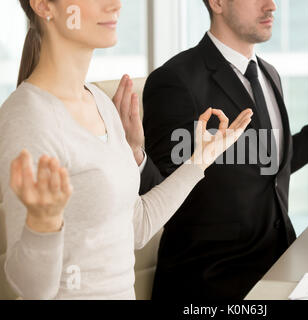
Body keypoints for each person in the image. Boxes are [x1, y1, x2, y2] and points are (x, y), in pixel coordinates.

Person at [0, 0, 252, 300]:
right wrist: (43, 225)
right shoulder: (28, 117)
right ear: (44, 5)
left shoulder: (100, 102)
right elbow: (30, 290)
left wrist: (201, 159)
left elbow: (137, 226)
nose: (116, 4)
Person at [139, 0, 308, 300]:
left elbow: (270, 165)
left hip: (280, 269)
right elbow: (160, 189)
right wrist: (134, 154)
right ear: (217, 3)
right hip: (211, 285)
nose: (272, 6)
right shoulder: (175, 80)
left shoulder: (269, 74)